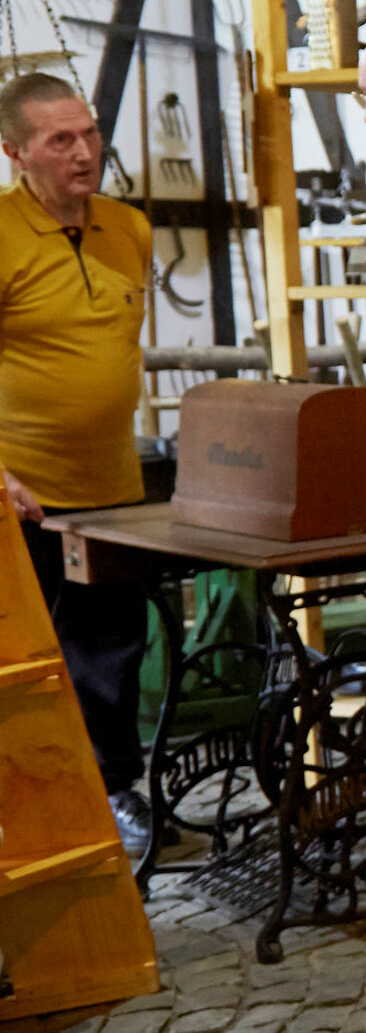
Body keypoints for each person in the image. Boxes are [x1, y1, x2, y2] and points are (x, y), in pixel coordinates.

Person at [0, 73, 156, 853]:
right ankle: (31, 818)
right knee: (25, 666)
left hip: (113, 491)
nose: (83, 152)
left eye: (88, 134)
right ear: (15, 152)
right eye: (60, 140)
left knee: (113, 653)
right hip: (21, 494)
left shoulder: (129, 229)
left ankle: (115, 796)